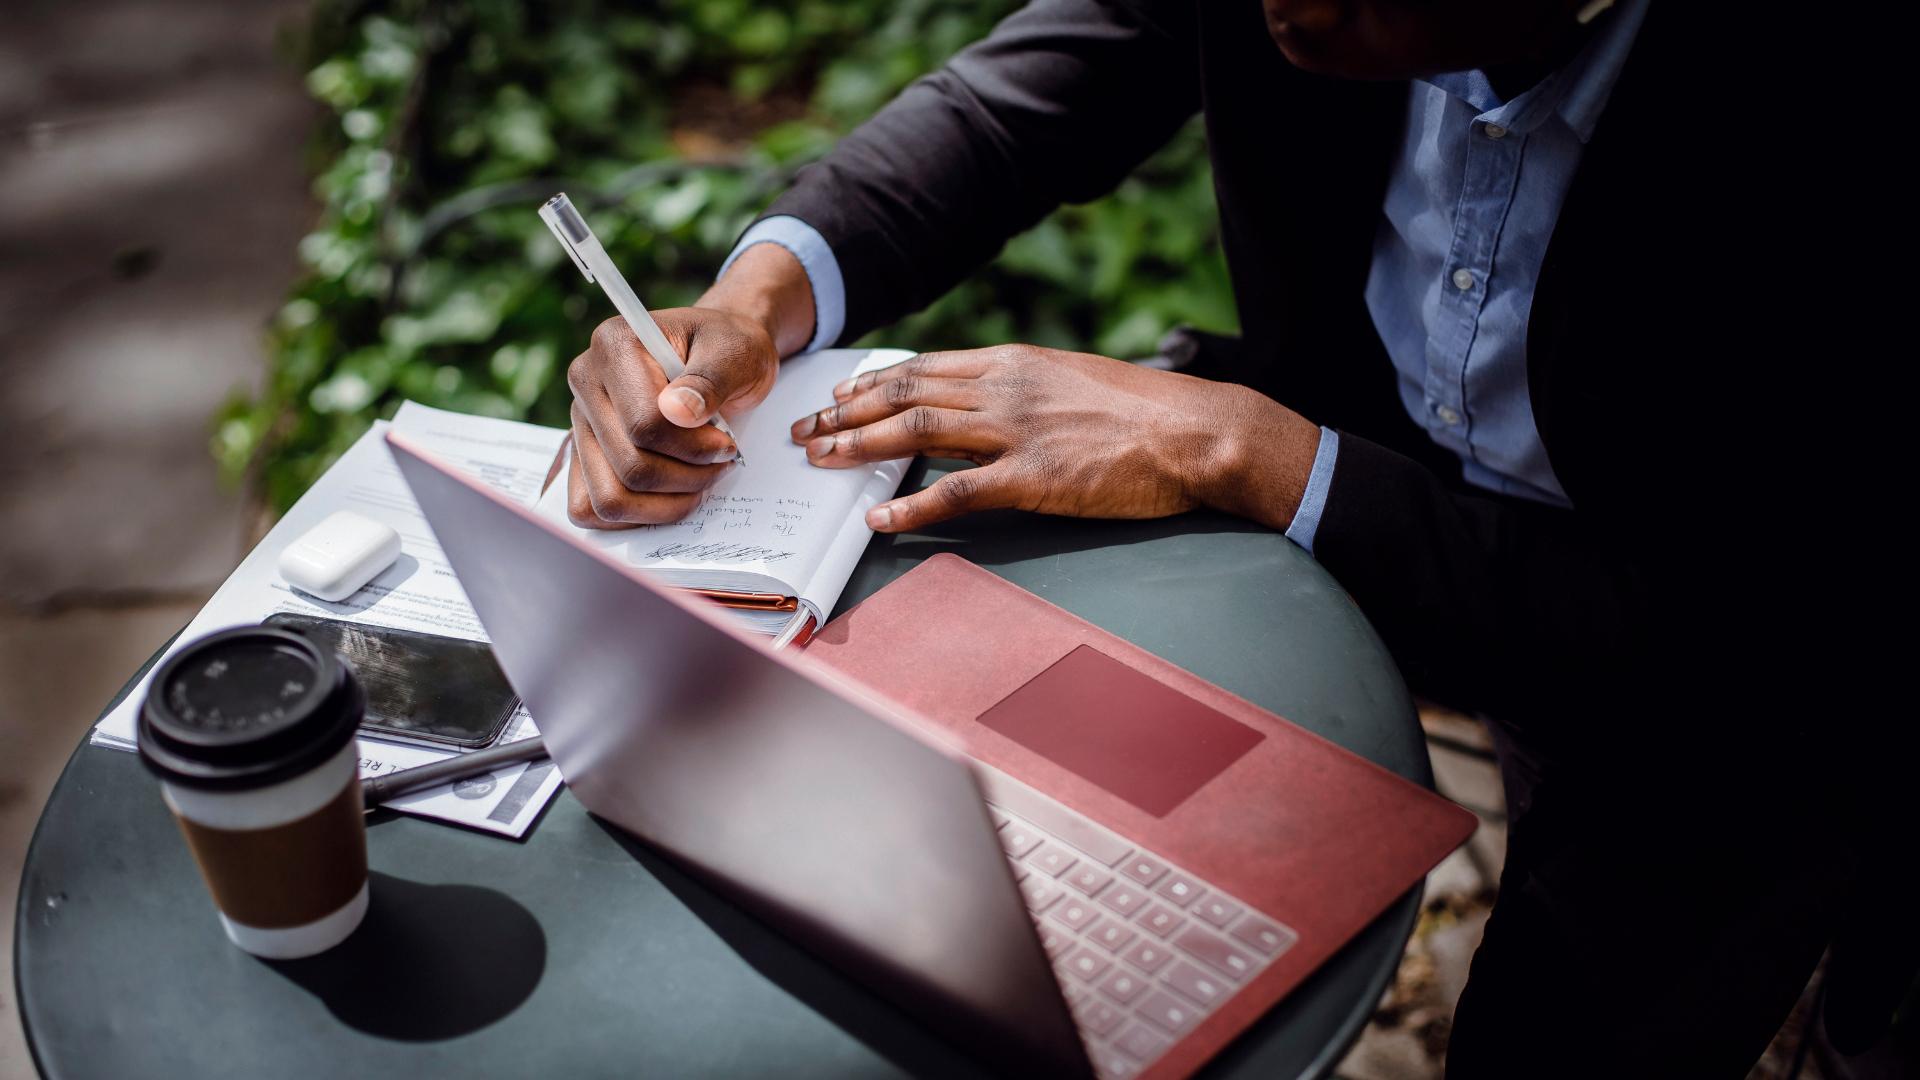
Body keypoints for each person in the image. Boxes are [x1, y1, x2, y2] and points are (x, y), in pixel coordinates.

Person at [561, 0, 1897, 1073]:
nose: (1277, 14)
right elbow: (1051, 81)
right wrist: (766, 292)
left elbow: (1754, 644)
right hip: (1383, 457)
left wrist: (1246, 451)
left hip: (1727, 676)